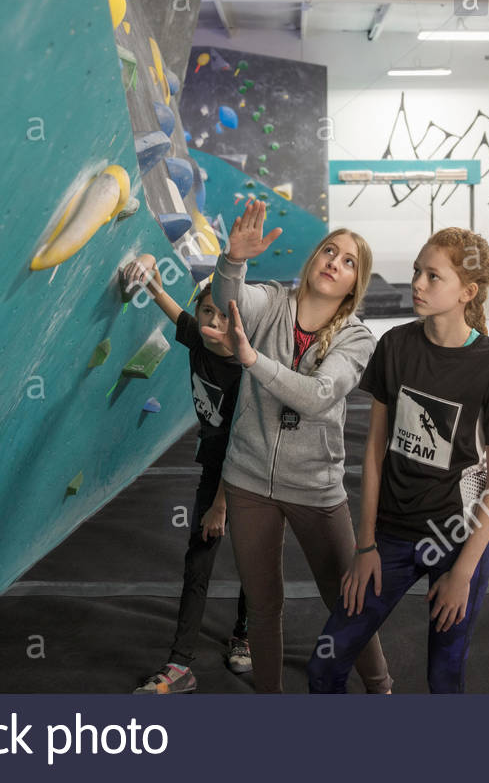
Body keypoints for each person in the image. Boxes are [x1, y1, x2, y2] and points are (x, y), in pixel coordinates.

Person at [308, 228, 489, 693]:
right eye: (416, 271)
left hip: (456, 540)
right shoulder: (396, 346)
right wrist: (365, 545)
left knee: (444, 678)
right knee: (325, 664)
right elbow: (373, 451)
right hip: (390, 535)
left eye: (433, 276)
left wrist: (463, 573)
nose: (417, 284)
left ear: (467, 293)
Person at [202, 199, 391, 693]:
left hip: (315, 487)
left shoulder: (357, 338)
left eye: (349, 261)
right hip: (248, 481)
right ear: (313, 262)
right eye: (330, 251)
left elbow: (315, 397)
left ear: (355, 283)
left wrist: (251, 360)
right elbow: (229, 302)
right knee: (263, 608)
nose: (335, 261)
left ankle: (381, 687)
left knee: (346, 601)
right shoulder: (271, 302)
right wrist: (233, 260)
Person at [123, 254, 251, 693]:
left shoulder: (246, 374)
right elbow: (177, 313)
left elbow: (244, 446)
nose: (213, 322)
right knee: (198, 564)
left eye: (222, 314)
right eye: (207, 311)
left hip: (254, 478)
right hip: (214, 469)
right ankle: (180, 665)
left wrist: (220, 505)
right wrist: (153, 283)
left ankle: (245, 636)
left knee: (254, 564)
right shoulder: (198, 339)